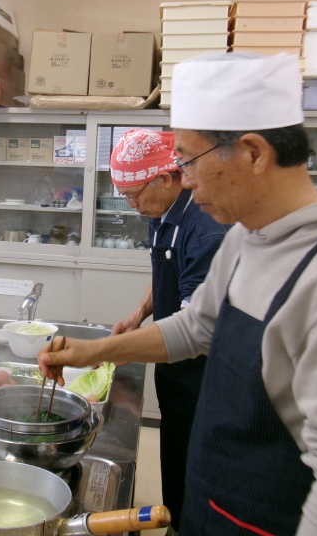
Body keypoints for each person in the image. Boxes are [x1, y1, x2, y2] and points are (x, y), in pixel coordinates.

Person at [39, 53, 317, 536]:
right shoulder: (247, 235)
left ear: (253, 153)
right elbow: (199, 326)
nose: (185, 179)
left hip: (275, 517)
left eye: (190, 161)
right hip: (218, 492)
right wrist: (96, 351)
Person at [109, 127, 228, 532]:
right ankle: (175, 516)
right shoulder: (161, 211)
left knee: (196, 463)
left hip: (201, 373)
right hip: (173, 364)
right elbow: (166, 267)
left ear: (164, 178)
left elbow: (194, 327)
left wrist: (108, 351)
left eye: (134, 195)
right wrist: (139, 314)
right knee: (174, 453)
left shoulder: (206, 229)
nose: (132, 205)